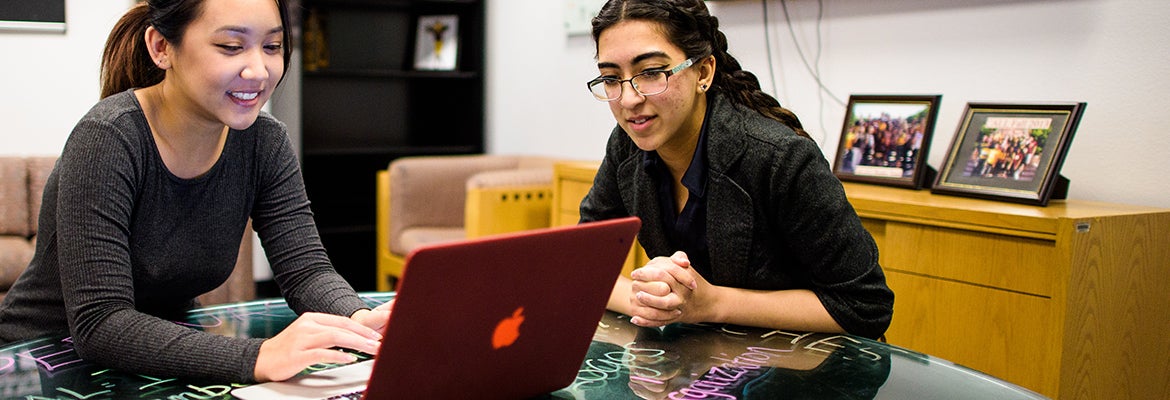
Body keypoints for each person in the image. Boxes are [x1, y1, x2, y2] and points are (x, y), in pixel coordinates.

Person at [0, 0, 390, 383]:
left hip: (160, 356)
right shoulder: (108, 138)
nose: (259, 70)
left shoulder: (264, 142)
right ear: (161, 47)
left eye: (272, 46)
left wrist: (358, 319)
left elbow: (306, 270)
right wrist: (259, 354)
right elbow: (101, 322)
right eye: (231, 47)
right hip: (40, 360)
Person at [580, 0, 894, 340]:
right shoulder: (627, 146)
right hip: (705, 358)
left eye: (652, 73)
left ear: (703, 72)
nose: (628, 100)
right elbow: (582, 265)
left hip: (806, 364)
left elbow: (866, 306)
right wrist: (652, 302)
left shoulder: (779, 157)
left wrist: (713, 304)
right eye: (611, 78)